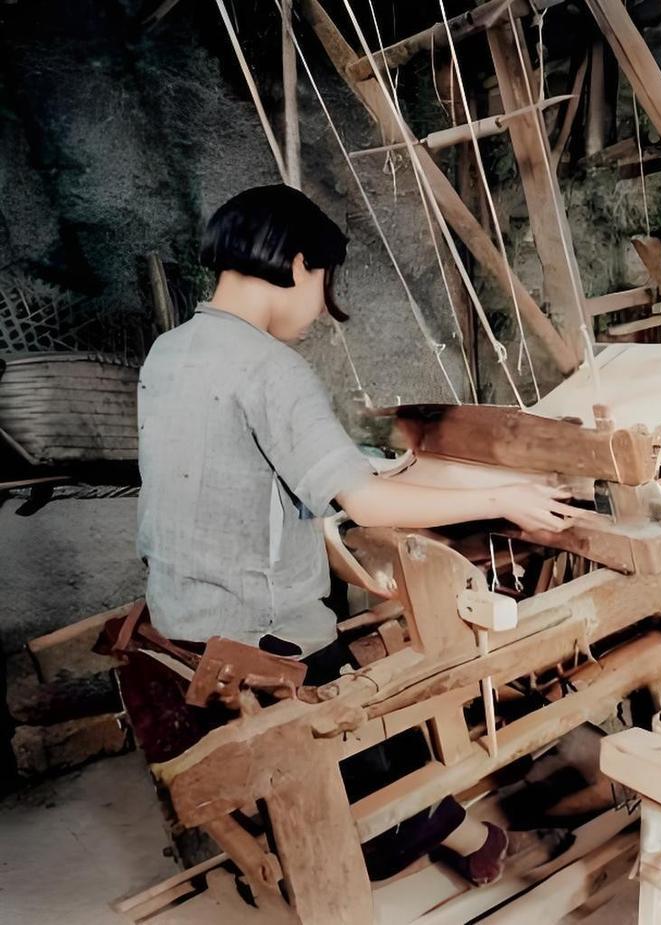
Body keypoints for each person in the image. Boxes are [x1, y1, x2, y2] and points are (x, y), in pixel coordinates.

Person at [134, 184, 579, 883]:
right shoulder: (269, 365)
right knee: (380, 723)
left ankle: (433, 832)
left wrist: (383, 469)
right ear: (300, 263)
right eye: (324, 283)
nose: (320, 308)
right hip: (259, 639)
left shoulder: (169, 352)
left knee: (358, 670)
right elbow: (367, 505)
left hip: (181, 621)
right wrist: (507, 494)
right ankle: (464, 839)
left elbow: (246, 466)